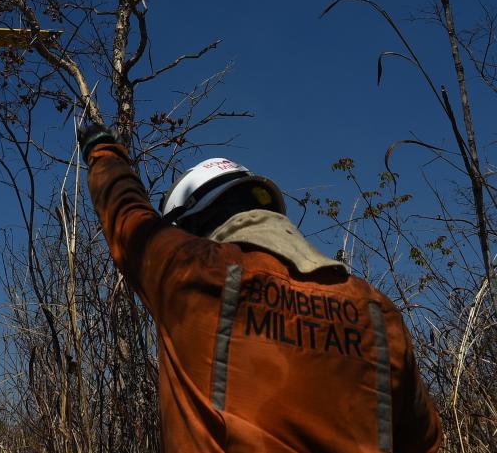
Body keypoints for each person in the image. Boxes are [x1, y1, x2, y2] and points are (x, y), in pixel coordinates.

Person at [77, 124, 442, 452]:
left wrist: (103, 151)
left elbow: (127, 214)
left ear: (190, 226)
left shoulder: (192, 271)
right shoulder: (377, 314)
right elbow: (422, 441)